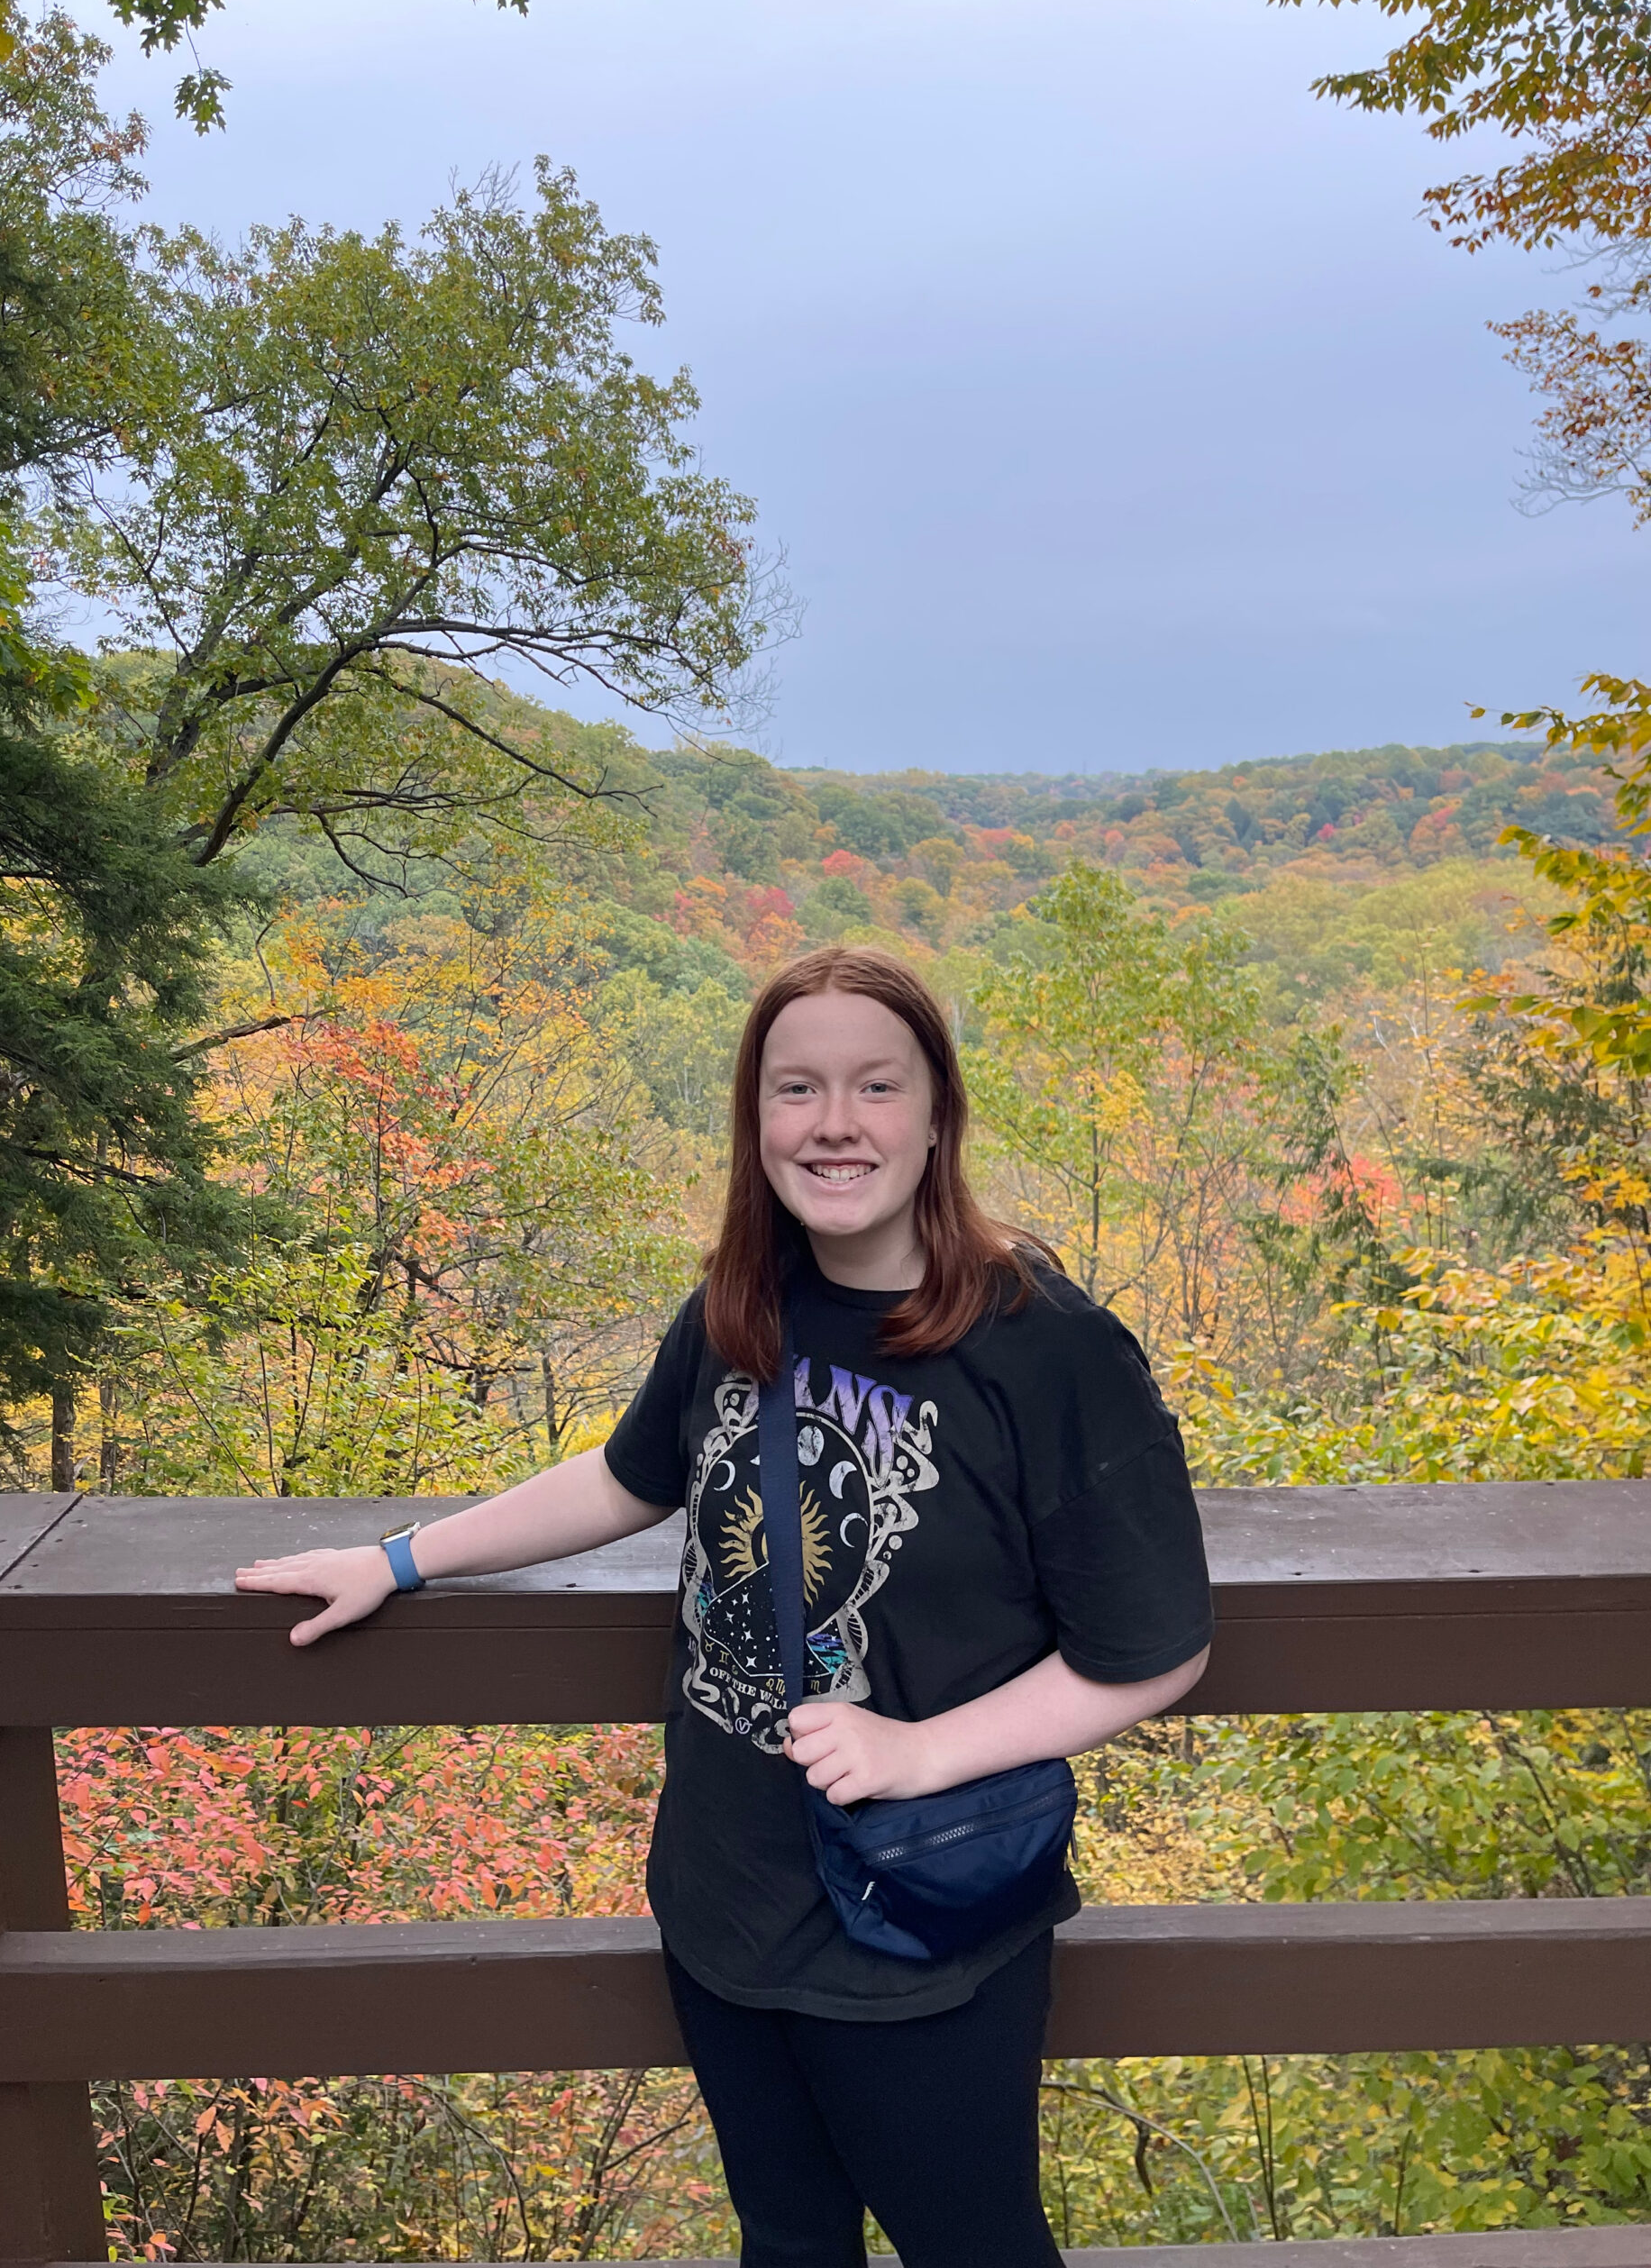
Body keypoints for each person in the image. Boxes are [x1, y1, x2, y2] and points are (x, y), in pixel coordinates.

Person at [236, 944, 1212, 2268]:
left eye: (877, 1085)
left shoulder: (1044, 1346)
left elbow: (1151, 1650)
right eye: (794, 1090)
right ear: (757, 1123)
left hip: (919, 1919)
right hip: (723, 1894)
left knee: (971, 2242)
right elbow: (627, 1477)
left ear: (939, 1112)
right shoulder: (741, 1307)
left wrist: (920, 1751)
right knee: (788, 2239)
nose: (835, 1124)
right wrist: (401, 1560)